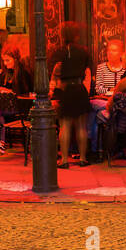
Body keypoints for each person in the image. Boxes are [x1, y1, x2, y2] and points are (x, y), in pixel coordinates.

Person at [48, 21, 93, 168]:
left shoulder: (59, 52)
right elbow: (87, 69)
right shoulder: (83, 51)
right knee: (81, 126)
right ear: (76, 35)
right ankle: (83, 158)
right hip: (79, 88)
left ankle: (65, 160)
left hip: (66, 89)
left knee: (65, 126)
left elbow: (55, 71)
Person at [0, 47, 33, 150]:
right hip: (7, 106)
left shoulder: (23, 72)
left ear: (15, 59)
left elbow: (24, 93)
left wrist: (8, 91)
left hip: (20, 107)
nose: (5, 63)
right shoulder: (6, 72)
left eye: (7, 60)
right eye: (3, 60)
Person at [89, 39, 126, 153]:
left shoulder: (125, 68)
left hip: (119, 104)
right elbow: (98, 88)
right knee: (96, 110)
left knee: (96, 114)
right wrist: (110, 90)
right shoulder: (101, 68)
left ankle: (96, 149)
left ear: (121, 53)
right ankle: (100, 149)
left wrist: (115, 92)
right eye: (109, 50)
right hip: (104, 101)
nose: (110, 53)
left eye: (114, 50)